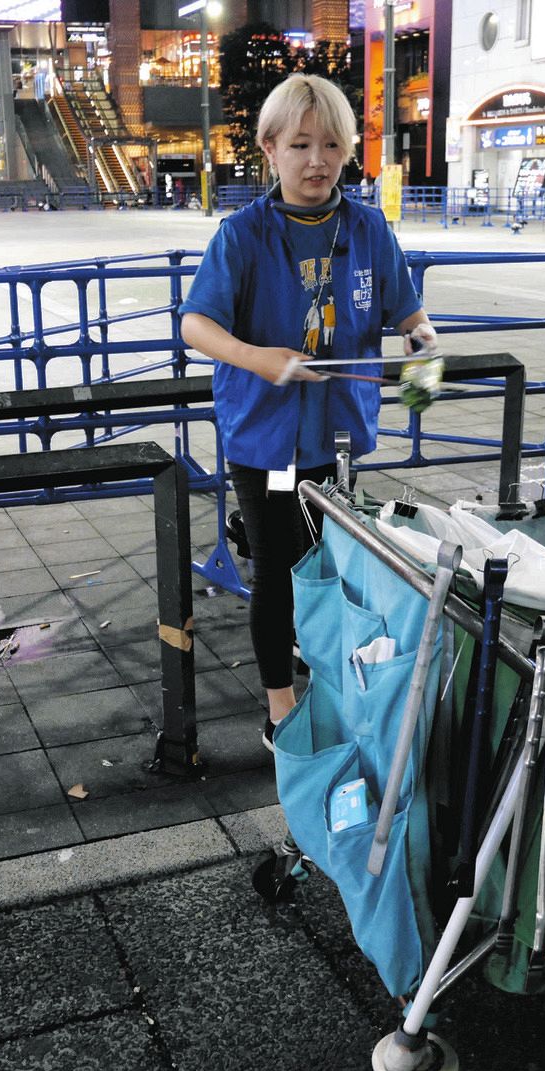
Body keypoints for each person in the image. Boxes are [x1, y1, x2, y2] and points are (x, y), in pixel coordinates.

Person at [179, 73, 435, 746]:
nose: (316, 160)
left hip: (339, 435)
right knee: (277, 566)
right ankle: (279, 706)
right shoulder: (241, 236)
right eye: (299, 145)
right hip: (264, 440)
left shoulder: (368, 227)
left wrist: (421, 337)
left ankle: (320, 663)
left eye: (330, 144)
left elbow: (403, 309)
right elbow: (195, 327)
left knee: (327, 565)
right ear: (269, 149)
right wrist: (255, 356)